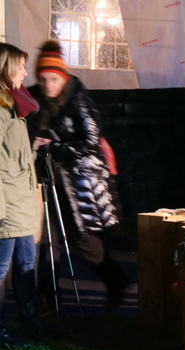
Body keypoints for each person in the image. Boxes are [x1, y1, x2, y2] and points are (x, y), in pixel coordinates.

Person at [26, 41, 129, 314]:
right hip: (45, 180)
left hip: (77, 182)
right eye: (43, 79)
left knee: (84, 240)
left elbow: (90, 140)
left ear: (63, 77)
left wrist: (53, 147)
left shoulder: (78, 100)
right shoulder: (33, 98)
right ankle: (48, 299)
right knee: (48, 241)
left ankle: (116, 282)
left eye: (53, 79)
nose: (48, 85)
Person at [0, 43, 63, 345]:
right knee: (0, 269)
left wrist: (35, 148)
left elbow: (12, 154)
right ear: (4, 68)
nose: (26, 72)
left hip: (22, 198)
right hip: (6, 204)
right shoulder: (0, 110)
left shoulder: (14, 106)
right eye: (20, 66)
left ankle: (29, 321)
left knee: (26, 264)